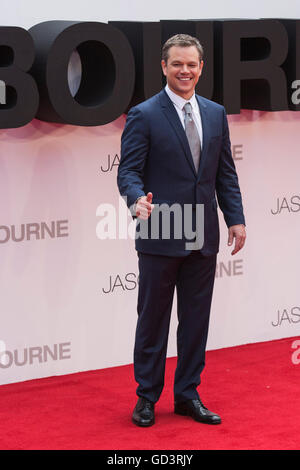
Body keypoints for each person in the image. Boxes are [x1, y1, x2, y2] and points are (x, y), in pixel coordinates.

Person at [117, 34, 246, 427]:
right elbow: (128, 171)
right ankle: (146, 398)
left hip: (202, 235)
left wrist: (235, 217)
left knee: (195, 321)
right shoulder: (144, 114)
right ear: (164, 66)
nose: (185, 70)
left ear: (201, 68)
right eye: (177, 64)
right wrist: (136, 199)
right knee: (153, 320)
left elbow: (225, 172)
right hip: (161, 231)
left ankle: (188, 394)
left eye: (191, 64)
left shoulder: (214, 112)